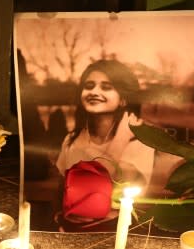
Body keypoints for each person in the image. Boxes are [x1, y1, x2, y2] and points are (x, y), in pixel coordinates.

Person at [55, 59, 155, 190]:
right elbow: (62, 188)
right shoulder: (71, 140)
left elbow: (97, 186)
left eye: (106, 87)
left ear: (123, 100)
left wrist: (121, 139)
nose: (94, 92)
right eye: (89, 86)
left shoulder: (140, 143)